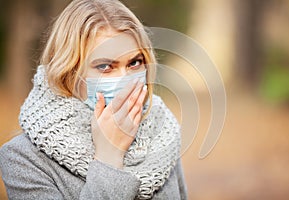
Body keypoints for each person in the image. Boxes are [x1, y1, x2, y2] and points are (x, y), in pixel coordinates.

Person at [0, 0, 187, 199]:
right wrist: (109, 157)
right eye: (105, 67)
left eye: (134, 62)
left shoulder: (160, 129)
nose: (125, 80)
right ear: (69, 73)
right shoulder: (22, 158)